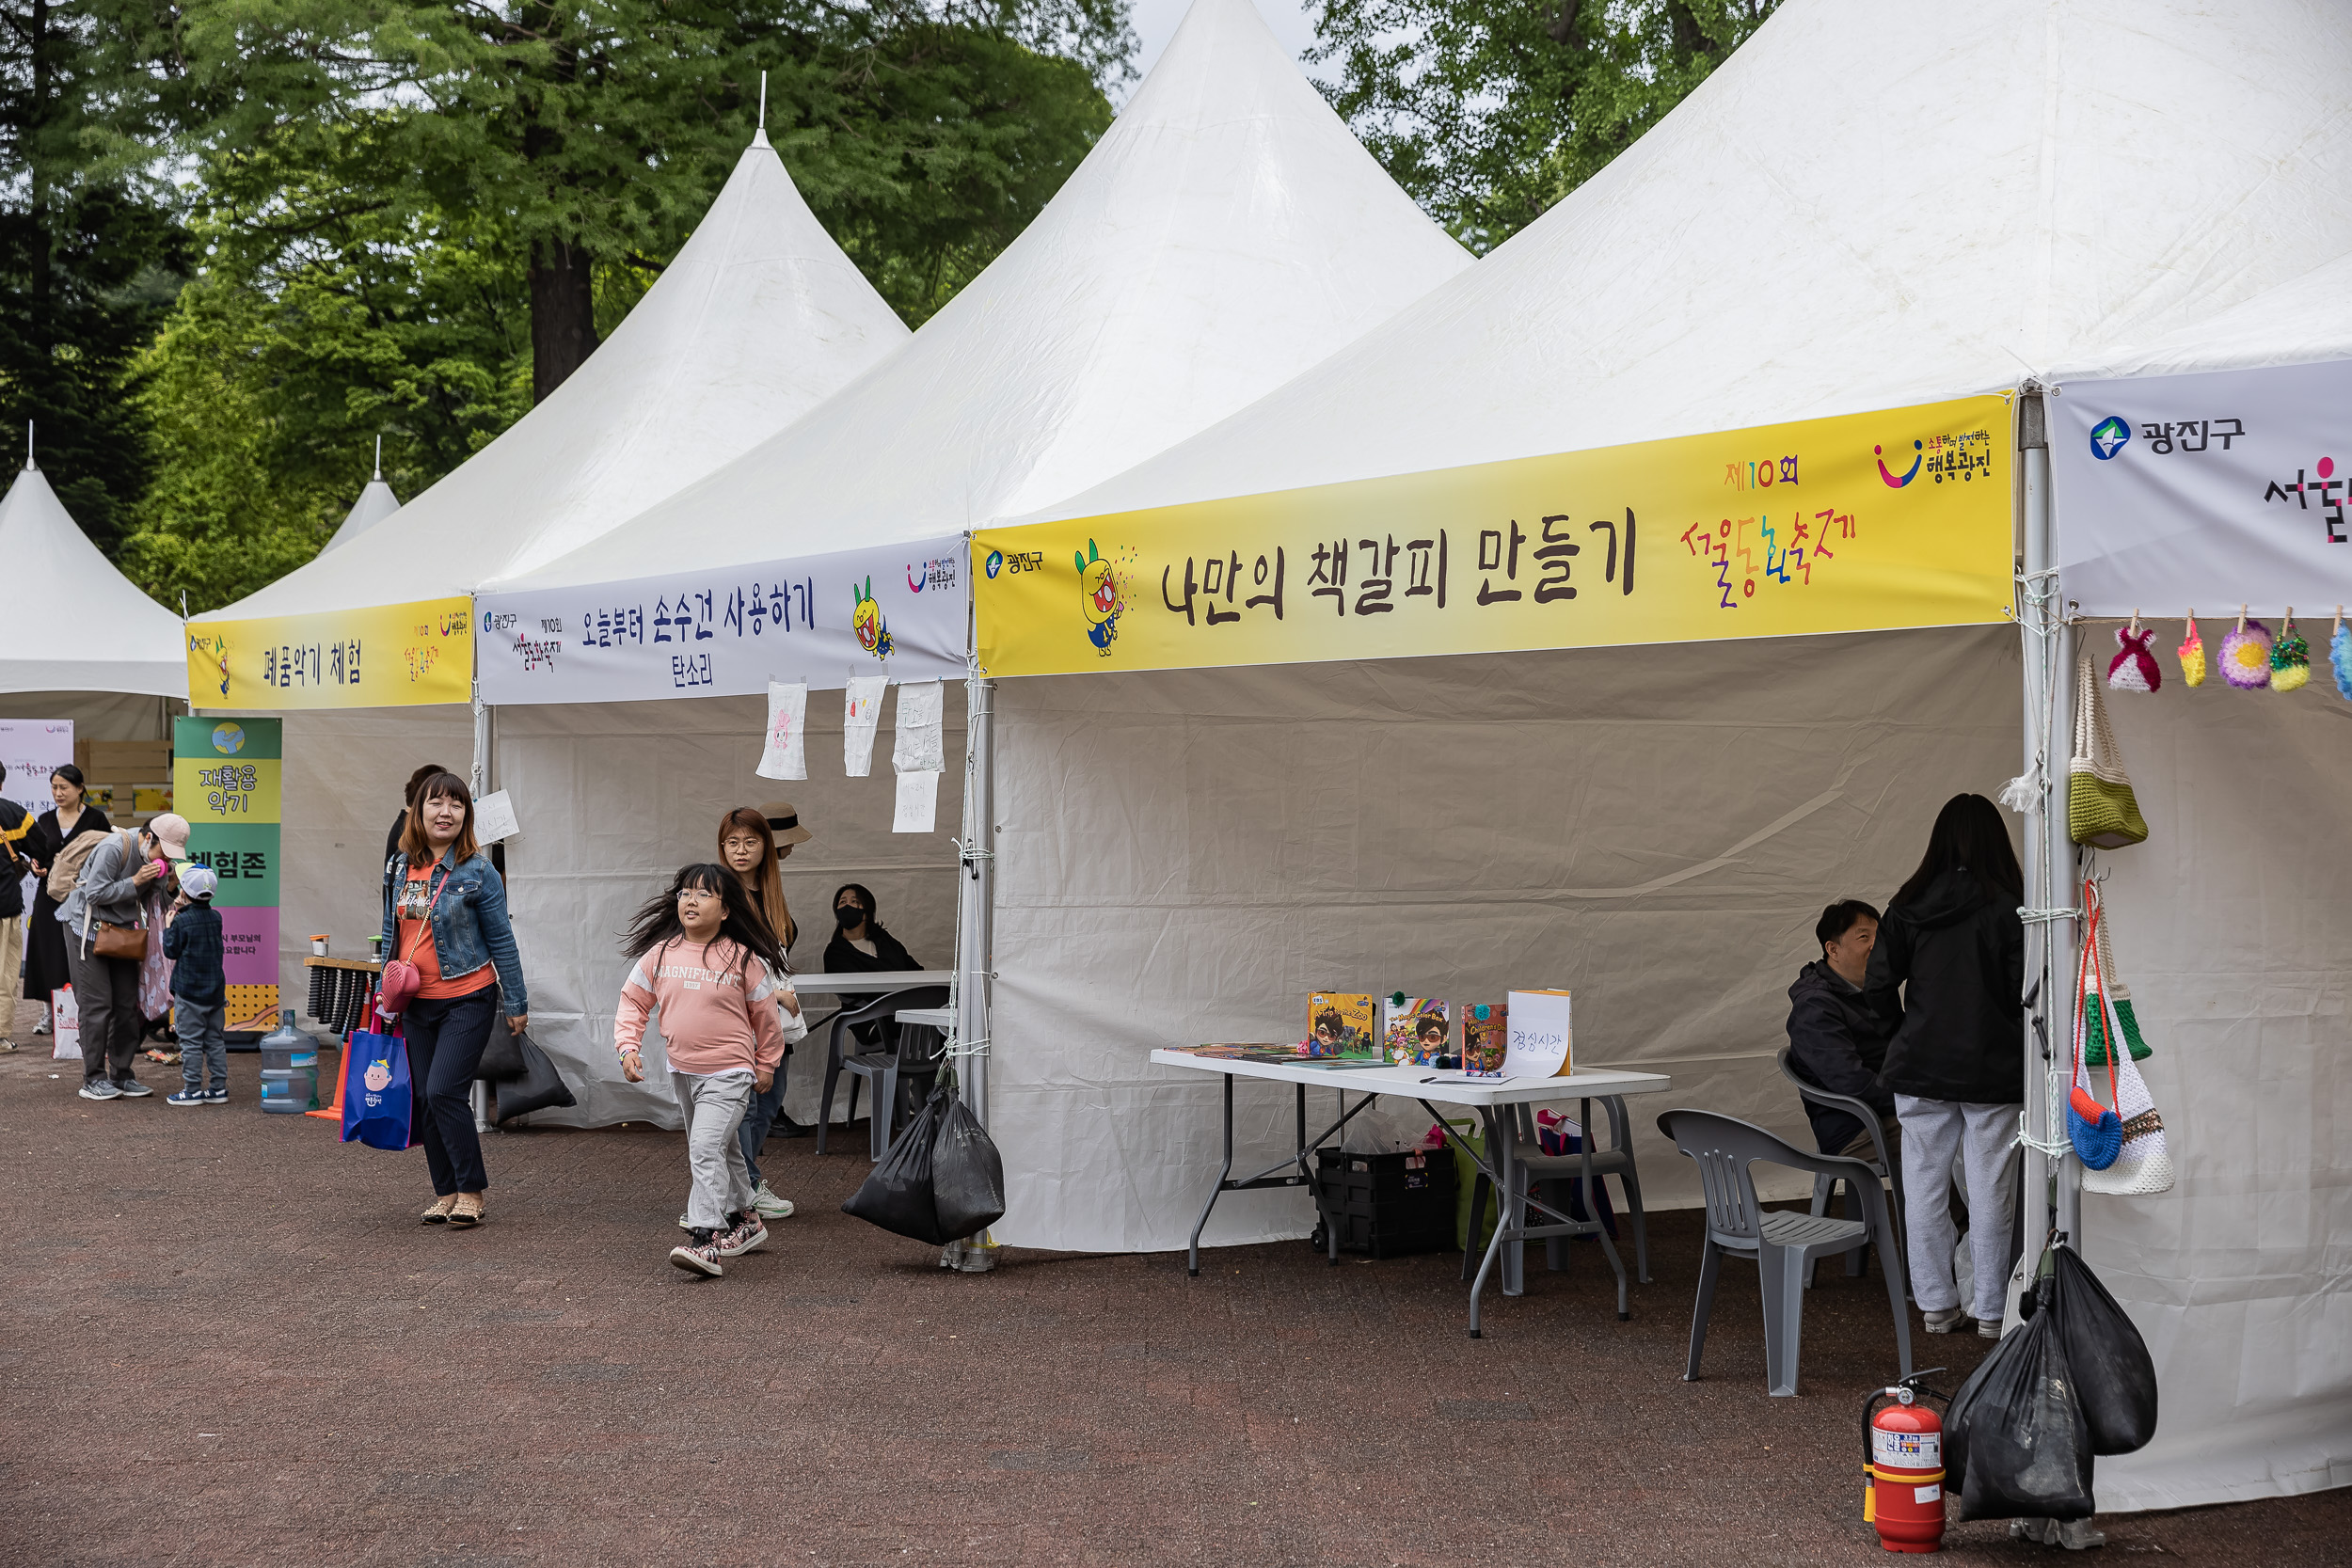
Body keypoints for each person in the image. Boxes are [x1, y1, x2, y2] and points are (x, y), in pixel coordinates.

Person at [1867, 792, 2026, 1340]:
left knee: (1924, 1187)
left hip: (1921, 1066)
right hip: (1993, 1069)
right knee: (1989, 1190)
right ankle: (1989, 1310)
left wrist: (1904, 1033)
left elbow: (1878, 986)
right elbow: (2021, 990)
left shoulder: (1907, 904)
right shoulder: (2011, 906)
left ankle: (1936, 1305)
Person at [612, 863, 800, 1278]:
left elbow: (766, 1018)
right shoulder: (660, 954)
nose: (691, 900)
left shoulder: (743, 958)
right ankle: (746, 1221)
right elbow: (633, 1002)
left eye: (703, 894)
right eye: (684, 893)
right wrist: (627, 1048)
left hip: (731, 1073)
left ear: (727, 909)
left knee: (704, 1147)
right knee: (724, 1148)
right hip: (684, 1072)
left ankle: (706, 1239)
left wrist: (767, 1062)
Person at [381, 771, 530, 1228]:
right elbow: (392, 932)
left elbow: (502, 940)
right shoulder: (400, 866)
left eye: (456, 805)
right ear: (417, 812)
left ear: (466, 815)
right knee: (425, 1096)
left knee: (445, 1089)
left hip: (468, 996)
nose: (445, 813)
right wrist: (384, 995)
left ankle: (471, 1192)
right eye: (436, 804)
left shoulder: (478, 871)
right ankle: (444, 1192)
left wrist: (516, 1001)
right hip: (413, 1001)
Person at [717, 803, 813, 1217]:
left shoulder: (768, 892)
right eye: (733, 843)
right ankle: (741, 1188)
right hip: (740, 1016)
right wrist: (772, 993)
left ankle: (743, 1185)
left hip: (772, 1020)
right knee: (748, 1107)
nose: (741, 851)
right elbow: (714, 956)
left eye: (750, 842)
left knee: (768, 1103)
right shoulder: (721, 893)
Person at [57, 812, 190, 1100]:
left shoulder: (155, 861)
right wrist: (134, 880)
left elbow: (156, 901)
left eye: (170, 856)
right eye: (162, 853)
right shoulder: (115, 847)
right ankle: (92, 1078)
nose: (164, 859)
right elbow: (94, 893)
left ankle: (122, 1074)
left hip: (123, 934)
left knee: (127, 1004)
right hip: (86, 929)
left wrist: (168, 885)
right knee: (97, 1004)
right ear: (149, 837)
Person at [1786, 898, 1901, 1158]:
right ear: (1833, 950)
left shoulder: (1872, 991)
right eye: (1864, 937)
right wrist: (1917, 1097)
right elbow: (1853, 1083)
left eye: (1879, 935)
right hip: (1855, 1129)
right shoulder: (1815, 1007)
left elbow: (1907, 1047)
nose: (1876, 944)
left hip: (1887, 1112)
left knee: (1971, 1117)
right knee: (1951, 1131)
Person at [22, 766, 110, 1036]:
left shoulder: (96, 819)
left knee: (80, 952)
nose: (58, 793)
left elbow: (107, 855)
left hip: (84, 897)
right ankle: (50, 1013)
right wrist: (37, 867)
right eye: (54, 787)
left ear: (80, 788)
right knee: (49, 952)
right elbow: (38, 853)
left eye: (64, 787)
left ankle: (81, 1014)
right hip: (49, 896)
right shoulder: (46, 819)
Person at [163, 864, 228, 1106]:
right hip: (214, 992)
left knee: (190, 1043)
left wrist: (169, 925)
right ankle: (218, 1088)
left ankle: (191, 1090)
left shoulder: (181, 921)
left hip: (189, 994)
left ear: (183, 891)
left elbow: (171, 951)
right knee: (214, 1041)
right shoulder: (216, 917)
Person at [0, 792, 35, 1045]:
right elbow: (41, 847)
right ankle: (0, 1037)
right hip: (5, 906)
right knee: (5, 974)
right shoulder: (16, 814)